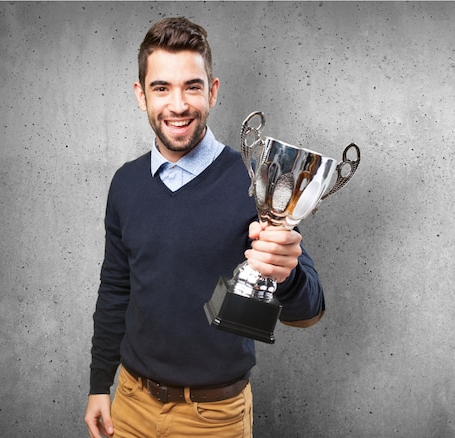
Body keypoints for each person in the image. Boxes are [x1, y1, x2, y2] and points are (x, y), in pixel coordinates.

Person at [84, 17, 325, 438]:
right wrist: (98, 384)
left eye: (192, 86)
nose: (178, 105)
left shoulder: (255, 181)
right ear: (141, 96)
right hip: (130, 405)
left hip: (214, 418)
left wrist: (284, 275)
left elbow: (309, 311)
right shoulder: (125, 183)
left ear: (212, 91)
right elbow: (116, 287)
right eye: (162, 88)